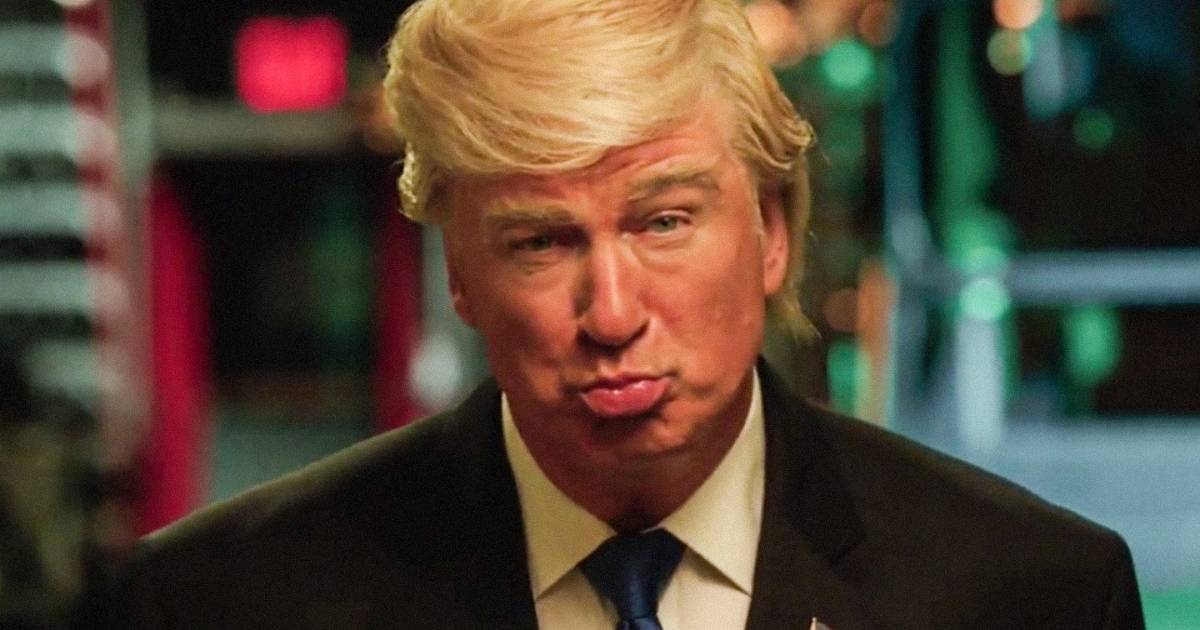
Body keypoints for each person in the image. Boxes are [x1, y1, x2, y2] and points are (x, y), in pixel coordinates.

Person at [105, 0, 1145, 628]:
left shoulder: (1029, 596)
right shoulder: (219, 604)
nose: (610, 314)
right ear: (459, 273)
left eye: (664, 222)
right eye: (540, 242)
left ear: (773, 231)